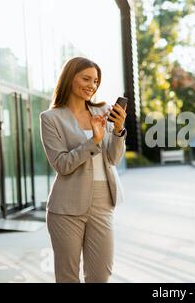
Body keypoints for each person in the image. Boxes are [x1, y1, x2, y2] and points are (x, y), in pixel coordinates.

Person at [40, 57, 127, 283]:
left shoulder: (104, 110)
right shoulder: (51, 118)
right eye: (86, 78)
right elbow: (61, 164)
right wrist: (93, 142)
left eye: (96, 80)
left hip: (102, 201)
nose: (92, 85)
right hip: (67, 205)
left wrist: (118, 130)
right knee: (67, 276)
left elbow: (113, 158)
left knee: (100, 274)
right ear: (70, 78)